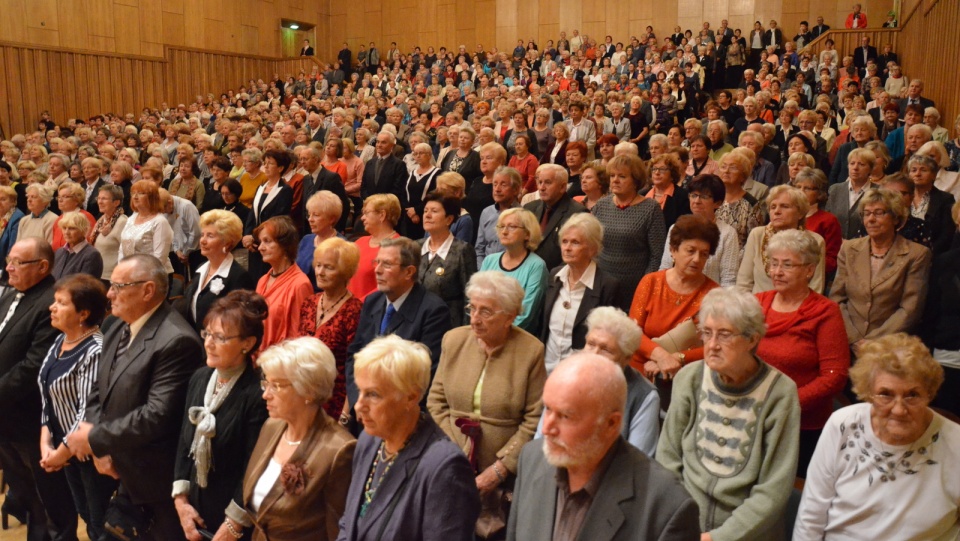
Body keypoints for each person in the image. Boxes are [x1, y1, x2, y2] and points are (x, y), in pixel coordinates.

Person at [66, 254, 205, 540]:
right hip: (119, 466)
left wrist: (96, 439)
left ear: (148, 290)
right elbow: (98, 390)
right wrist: (100, 447)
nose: (109, 293)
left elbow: (157, 415)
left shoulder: (177, 340)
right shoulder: (115, 326)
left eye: (119, 285)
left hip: (155, 481)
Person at [657, 287, 801, 541]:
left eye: (724, 335)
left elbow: (773, 490)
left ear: (752, 339)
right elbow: (667, 460)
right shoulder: (689, 378)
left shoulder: (780, 394)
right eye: (707, 333)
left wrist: (717, 538)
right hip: (684, 523)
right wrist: (681, 524)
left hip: (747, 534)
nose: (711, 345)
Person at [507, 352, 700, 541]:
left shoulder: (667, 508)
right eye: (548, 409)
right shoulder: (531, 458)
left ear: (611, 424)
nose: (547, 428)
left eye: (565, 416)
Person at [794, 333, 960, 540]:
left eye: (912, 395)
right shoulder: (843, 425)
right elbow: (811, 514)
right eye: (885, 394)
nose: (899, 409)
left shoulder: (956, 444)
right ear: (868, 392)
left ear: (929, 393)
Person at [427, 272, 546, 530]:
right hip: (449, 460)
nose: (475, 319)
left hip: (502, 477)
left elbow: (534, 419)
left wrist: (500, 470)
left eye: (486, 312)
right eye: (472, 308)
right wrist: (454, 452)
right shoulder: (454, 340)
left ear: (511, 316)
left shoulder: (531, 351)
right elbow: (436, 402)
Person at [338, 335, 481, 540]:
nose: (359, 406)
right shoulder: (368, 441)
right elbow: (348, 523)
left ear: (411, 397)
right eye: (360, 391)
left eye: (374, 394)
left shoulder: (444, 467)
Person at [173, 290, 270, 541]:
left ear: (247, 343)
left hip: (233, 523)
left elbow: (253, 469)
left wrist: (233, 525)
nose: (208, 343)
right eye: (207, 334)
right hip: (195, 513)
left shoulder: (257, 393)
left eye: (220, 337)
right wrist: (181, 502)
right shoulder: (200, 378)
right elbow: (184, 444)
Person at [755, 230, 850, 477]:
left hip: (801, 426)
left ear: (809, 270)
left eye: (787, 265)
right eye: (773, 263)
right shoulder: (757, 304)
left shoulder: (825, 312)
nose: (776, 271)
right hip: (753, 417)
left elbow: (834, 376)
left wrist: (785, 404)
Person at [0, 238, 78, 541]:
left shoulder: (52, 302)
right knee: (28, 498)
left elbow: (33, 368)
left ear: (42, 266)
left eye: (17, 262)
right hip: (6, 419)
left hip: (33, 420)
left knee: (51, 501)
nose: (9, 268)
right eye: (9, 260)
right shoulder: (10, 295)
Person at [240, 337, 356, 541]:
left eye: (276, 385)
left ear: (309, 390)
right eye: (266, 383)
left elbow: (338, 530)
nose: (266, 394)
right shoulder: (272, 426)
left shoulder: (339, 450)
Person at [38, 275, 115, 541]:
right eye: (54, 301)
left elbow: (87, 410)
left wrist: (60, 454)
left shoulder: (95, 349)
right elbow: (46, 395)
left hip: (88, 452)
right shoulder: (60, 341)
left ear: (83, 313)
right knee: (86, 516)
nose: (52, 307)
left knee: (101, 525)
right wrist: (46, 443)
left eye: (61, 303)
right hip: (65, 450)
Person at [345, 236, 451, 424]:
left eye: (386, 264)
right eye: (376, 262)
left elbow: (426, 374)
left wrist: (378, 405)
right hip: (363, 413)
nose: (377, 270)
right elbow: (355, 354)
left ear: (408, 271)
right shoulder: (373, 301)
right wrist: (358, 402)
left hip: (400, 416)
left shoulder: (433, 310)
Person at [830, 188, 932, 350]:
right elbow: (837, 298)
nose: (871, 219)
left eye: (878, 213)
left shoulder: (917, 254)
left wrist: (872, 342)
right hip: (847, 342)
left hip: (890, 347)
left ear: (896, 218)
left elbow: (910, 309)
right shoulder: (849, 249)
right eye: (866, 213)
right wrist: (854, 339)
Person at [630, 214, 720, 383]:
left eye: (704, 254)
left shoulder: (714, 295)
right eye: (690, 251)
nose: (696, 259)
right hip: (640, 370)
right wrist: (661, 356)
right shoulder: (651, 282)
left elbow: (714, 345)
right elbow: (632, 332)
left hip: (685, 375)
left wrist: (676, 358)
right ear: (673, 250)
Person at [541, 213, 623, 372]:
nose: (567, 248)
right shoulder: (555, 276)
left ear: (592, 249)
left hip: (582, 373)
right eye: (564, 241)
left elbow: (610, 340)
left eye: (575, 242)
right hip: (546, 369)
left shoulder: (607, 285)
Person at [297, 237, 363, 421]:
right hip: (303, 396)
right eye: (318, 265)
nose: (320, 272)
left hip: (334, 403)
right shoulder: (310, 302)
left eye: (329, 267)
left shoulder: (354, 310)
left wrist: (345, 413)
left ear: (345, 272)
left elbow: (355, 365)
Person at [581, 307, 661, 455]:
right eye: (591, 344)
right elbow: (543, 438)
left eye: (605, 349)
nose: (594, 354)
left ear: (626, 359)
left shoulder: (644, 396)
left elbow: (638, 461)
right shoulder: (565, 376)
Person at [593, 154, 666, 295]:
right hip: (601, 283)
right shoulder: (601, 205)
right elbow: (592, 245)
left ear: (635, 181)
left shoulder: (651, 208)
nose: (615, 180)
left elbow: (656, 255)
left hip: (634, 287)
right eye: (612, 176)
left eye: (622, 176)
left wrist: (645, 286)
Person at [737, 185, 826, 294]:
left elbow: (816, 288)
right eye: (773, 207)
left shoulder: (815, 241)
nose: (777, 211)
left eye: (784, 206)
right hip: (757, 308)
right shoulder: (757, 235)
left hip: (798, 308)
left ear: (800, 213)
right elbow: (743, 284)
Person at [181, 210, 255, 332]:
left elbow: (240, 322)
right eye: (202, 235)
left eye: (210, 236)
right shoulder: (201, 269)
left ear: (227, 242)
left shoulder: (238, 276)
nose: (203, 241)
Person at [479, 208, 549, 334]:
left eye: (512, 227)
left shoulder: (536, 265)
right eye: (501, 226)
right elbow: (477, 299)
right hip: (484, 331)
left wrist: (495, 332)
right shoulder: (489, 260)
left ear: (527, 234)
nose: (504, 232)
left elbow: (525, 314)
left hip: (515, 337)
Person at [254, 215, 313, 352]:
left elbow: (300, 335)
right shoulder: (263, 280)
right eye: (261, 242)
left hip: (282, 363)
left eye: (267, 241)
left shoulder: (300, 284)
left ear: (285, 245)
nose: (260, 248)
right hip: (258, 359)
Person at [418, 192, 477, 328]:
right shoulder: (415, 247)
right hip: (416, 324)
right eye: (425, 211)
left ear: (449, 219)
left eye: (434, 211)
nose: (427, 215)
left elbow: (469, 297)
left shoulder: (462, 250)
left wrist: (465, 333)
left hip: (447, 326)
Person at [524, 163, 587, 270]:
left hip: (557, 278)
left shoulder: (577, 213)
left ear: (562, 187)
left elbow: (576, 253)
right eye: (540, 182)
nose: (542, 188)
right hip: (527, 273)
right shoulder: (529, 208)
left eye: (548, 182)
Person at [348, 194, 401, 300]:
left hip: (372, 311)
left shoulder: (397, 246)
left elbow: (388, 286)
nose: (362, 218)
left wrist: (358, 305)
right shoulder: (359, 242)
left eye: (366, 213)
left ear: (382, 215)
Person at [793, 168, 842, 277]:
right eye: (798, 187)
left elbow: (832, 261)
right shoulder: (788, 216)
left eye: (807, 188)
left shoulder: (828, 220)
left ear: (819, 193)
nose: (801, 191)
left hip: (813, 277)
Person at [120, 179, 175, 275]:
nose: (135, 197)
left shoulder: (160, 222)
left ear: (152, 198)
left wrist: (138, 275)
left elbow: (159, 258)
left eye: (141, 193)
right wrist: (122, 269)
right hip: (130, 273)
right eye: (133, 193)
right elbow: (122, 248)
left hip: (153, 276)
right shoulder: (132, 218)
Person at [715, 150, 764, 250]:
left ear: (743, 176)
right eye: (723, 166)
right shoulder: (712, 198)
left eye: (733, 168)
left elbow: (753, 241)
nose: (726, 171)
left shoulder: (751, 203)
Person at [295, 191, 344, 291]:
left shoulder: (341, 245)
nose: (310, 219)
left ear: (331, 219)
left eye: (316, 215)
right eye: (309, 215)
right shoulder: (306, 240)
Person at [91, 184, 128, 284]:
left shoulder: (122, 222)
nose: (100, 202)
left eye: (104, 199)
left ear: (116, 202)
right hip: (98, 274)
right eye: (98, 198)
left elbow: (127, 252)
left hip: (112, 278)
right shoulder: (101, 220)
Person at [50, 210, 103, 280]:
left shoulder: (92, 255)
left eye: (72, 228)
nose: (66, 232)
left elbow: (85, 287)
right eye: (64, 228)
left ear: (83, 230)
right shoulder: (59, 252)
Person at [646, 153, 691, 229]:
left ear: (672, 174)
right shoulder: (643, 194)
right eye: (654, 169)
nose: (657, 173)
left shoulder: (682, 196)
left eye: (662, 169)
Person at [0, 185, 24, 262]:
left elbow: (12, 248)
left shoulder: (17, 218)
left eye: (3, 199)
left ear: (13, 202)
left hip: (5, 264)